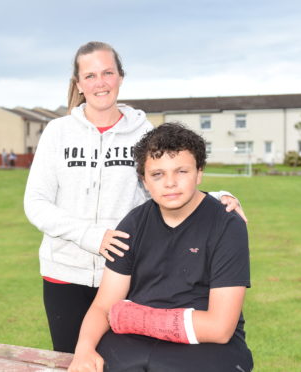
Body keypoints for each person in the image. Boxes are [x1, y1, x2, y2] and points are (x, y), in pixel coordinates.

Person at [23, 41, 247, 353]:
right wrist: (92, 236)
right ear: (78, 84)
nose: (100, 82)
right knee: (74, 358)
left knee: (122, 360)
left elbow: (166, 180)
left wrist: (218, 197)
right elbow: (36, 203)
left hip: (126, 276)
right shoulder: (58, 132)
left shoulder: (142, 130)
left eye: (107, 72)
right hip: (65, 273)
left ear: (120, 77)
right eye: (90, 76)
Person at [68, 123, 253, 372]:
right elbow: (104, 305)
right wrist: (84, 349)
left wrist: (133, 318)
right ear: (144, 181)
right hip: (133, 341)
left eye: (181, 172)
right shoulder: (133, 223)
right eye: (157, 174)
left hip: (203, 344)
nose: (170, 183)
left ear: (199, 173)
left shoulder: (227, 224)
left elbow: (219, 328)